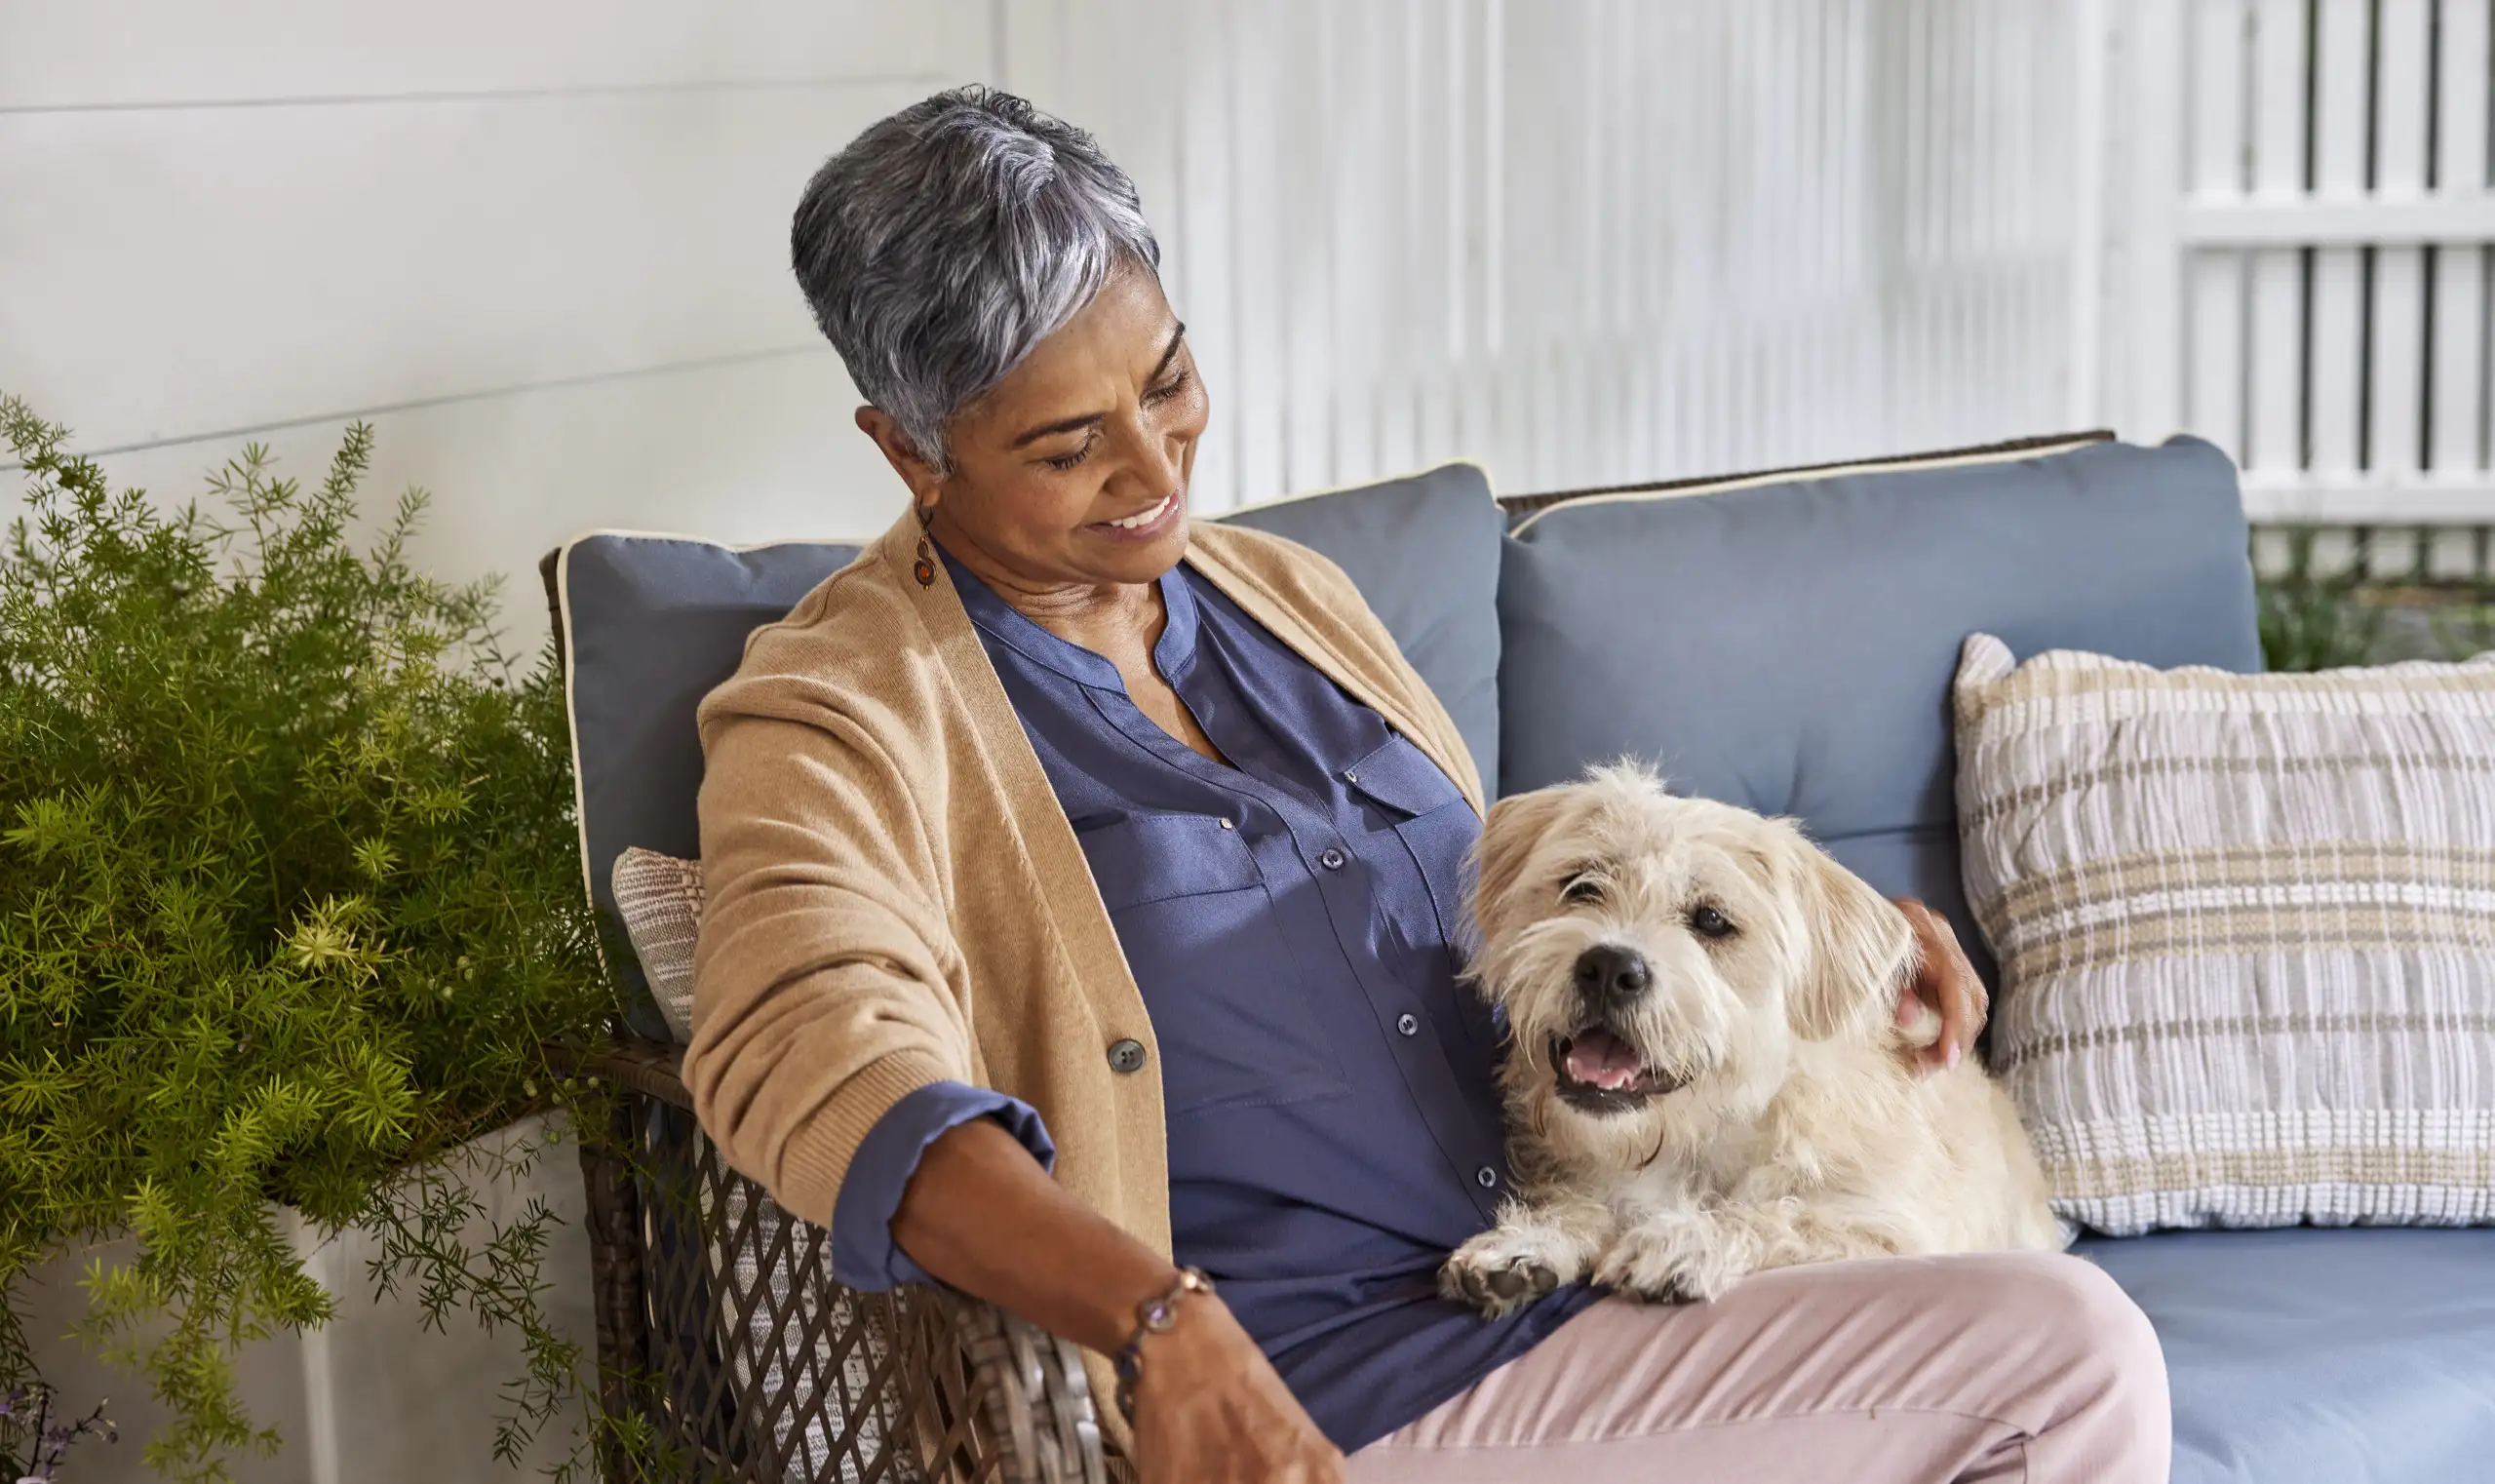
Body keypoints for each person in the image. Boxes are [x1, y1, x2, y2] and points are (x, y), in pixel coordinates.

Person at [688, 86, 2168, 1484]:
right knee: (2071, 1355)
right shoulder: (839, 710)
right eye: (1069, 446)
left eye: (1169, 380)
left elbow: (1537, 897)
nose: (1154, 468)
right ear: (907, 452)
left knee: (2028, 1309)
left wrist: (1839, 940)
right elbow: (813, 1063)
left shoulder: (1283, 596)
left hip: (1571, 1281)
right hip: (1328, 1388)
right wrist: (1156, 1318)